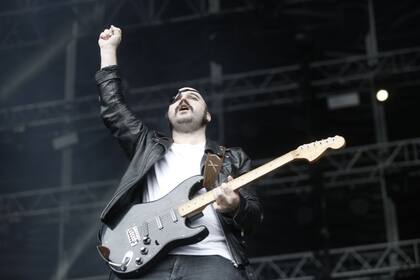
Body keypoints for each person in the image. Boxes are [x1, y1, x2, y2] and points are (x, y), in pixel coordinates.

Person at [95, 25, 263, 280]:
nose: (182, 99)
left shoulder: (230, 158)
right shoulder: (147, 144)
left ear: (207, 115)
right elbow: (113, 110)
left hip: (212, 260)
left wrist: (235, 205)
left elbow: (253, 217)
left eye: (193, 97)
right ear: (169, 114)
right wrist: (108, 51)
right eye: (176, 99)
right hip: (148, 261)